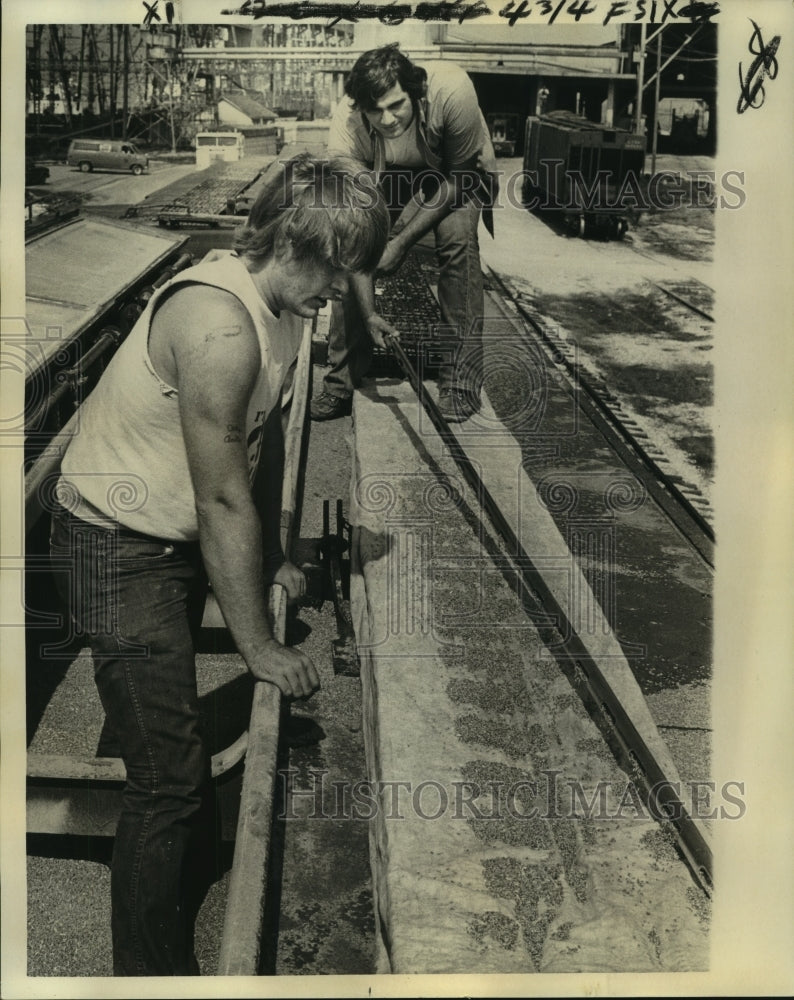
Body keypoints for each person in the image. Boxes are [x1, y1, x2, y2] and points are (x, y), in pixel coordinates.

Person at [49, 154, 389, 976]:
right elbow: (221, 503)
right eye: (337, 271)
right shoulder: (220, 327)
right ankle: (150, 977)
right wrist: (260, 650)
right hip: (114, 545)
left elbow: (257, 445)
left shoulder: (280, 314)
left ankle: (181, 878)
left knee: (184, 773)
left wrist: (274, 558)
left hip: (170, 536)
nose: (342, 293)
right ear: (295, 243)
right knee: (167, 784)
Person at [310, 43, 498, 424]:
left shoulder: (452, 90)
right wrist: (369, 312)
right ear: (360, 108)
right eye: (375, 110)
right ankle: (340, 382)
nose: (388, 118)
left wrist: (399, 243)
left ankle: (461, 382)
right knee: (351, 248)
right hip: (388, 169)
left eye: (396, 105)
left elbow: (461, 178)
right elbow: (358, 226)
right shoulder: (345, 129)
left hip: (450, 168)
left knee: (458, 240)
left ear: (414, 92)